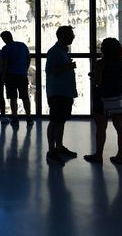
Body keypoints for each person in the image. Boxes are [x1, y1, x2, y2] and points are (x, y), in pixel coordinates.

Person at [84, 37, 122, 166]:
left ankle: (98, 155)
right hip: (118, 96)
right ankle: (119, 156)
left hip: (102, 97)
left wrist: (93, 76)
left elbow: (98, 82)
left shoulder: (100, 63)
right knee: (120, 127)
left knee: (101, 128)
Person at [45, 26, 78, 165]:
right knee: (55, 121)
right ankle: (51, 150)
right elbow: (50, 70)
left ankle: (59, 146)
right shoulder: (54, 52)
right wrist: (68, 67)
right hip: (57, 92)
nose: (73, 36)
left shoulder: (63, 51)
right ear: (61, 36)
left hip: (65, 92)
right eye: (70, 34)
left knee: (61, 120)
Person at [0, 31, 33, 126]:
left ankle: (15, 118)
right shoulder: (22, 45)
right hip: (22, 74)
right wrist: (25, 68)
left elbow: (5, 64)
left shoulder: (5, 48)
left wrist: (3, 77)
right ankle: (29, 117)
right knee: (25, 96)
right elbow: (28, 58)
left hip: (10, 75)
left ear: (4, 39)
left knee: (13, 97)